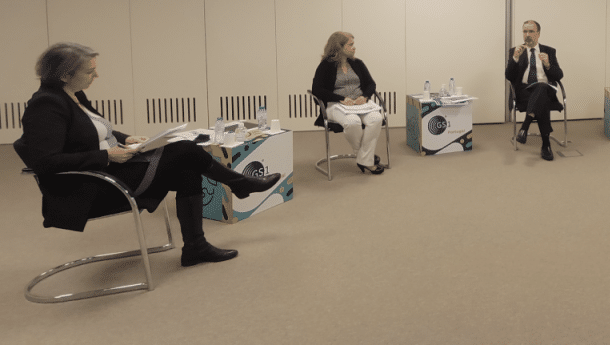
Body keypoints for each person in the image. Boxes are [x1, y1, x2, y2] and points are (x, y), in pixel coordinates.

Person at [14, 43, 281, 267]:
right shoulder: (46, 105)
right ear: (64, 75)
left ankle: (196, 247)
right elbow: (45, 162)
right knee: (185, 150)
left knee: (187, 167)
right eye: (89, 72)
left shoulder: (73, 94)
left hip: (112, 168)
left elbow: (94, 130)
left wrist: (125, 138)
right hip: (92, 185)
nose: (96, 76)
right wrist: (106, 157)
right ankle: (240, 184)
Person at [311, 31, 385, 174]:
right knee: (352, 122)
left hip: (360, 104)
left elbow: (371, 84)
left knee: (376, 118)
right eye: (350, 45)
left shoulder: (357, 63)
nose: (354, 47)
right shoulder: (325, 65)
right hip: (336, 105)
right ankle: (364, 158)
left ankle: (363, 158)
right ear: (339, 47)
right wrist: (341, 98)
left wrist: (365, 96)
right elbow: (317, 89)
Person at [505, 20, 564, 161]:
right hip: (524, 92)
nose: (527, 34)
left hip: (546, 89)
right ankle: (546, 144)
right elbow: (509, 77)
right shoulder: (516, 51)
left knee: (542, 88)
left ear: (538, 34)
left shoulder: (549, 51)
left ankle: (525, 126)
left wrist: (548, 64)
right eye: (525, 31)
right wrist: (515, 58)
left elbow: (559, 75)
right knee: (542, 100)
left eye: (531, 31)